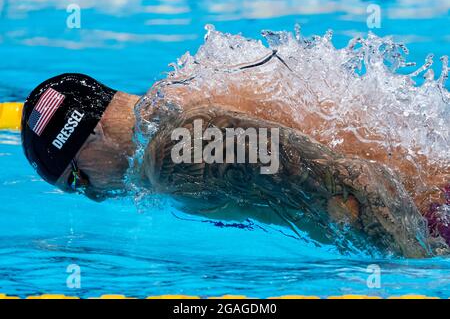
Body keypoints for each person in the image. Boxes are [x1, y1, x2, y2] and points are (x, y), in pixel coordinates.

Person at [21, 73, 449, 258]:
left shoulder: (173, 153)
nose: (93, 193)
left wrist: (414, 269)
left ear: (90, 132)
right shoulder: (181, 104)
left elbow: (357, 184)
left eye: (78, 177)